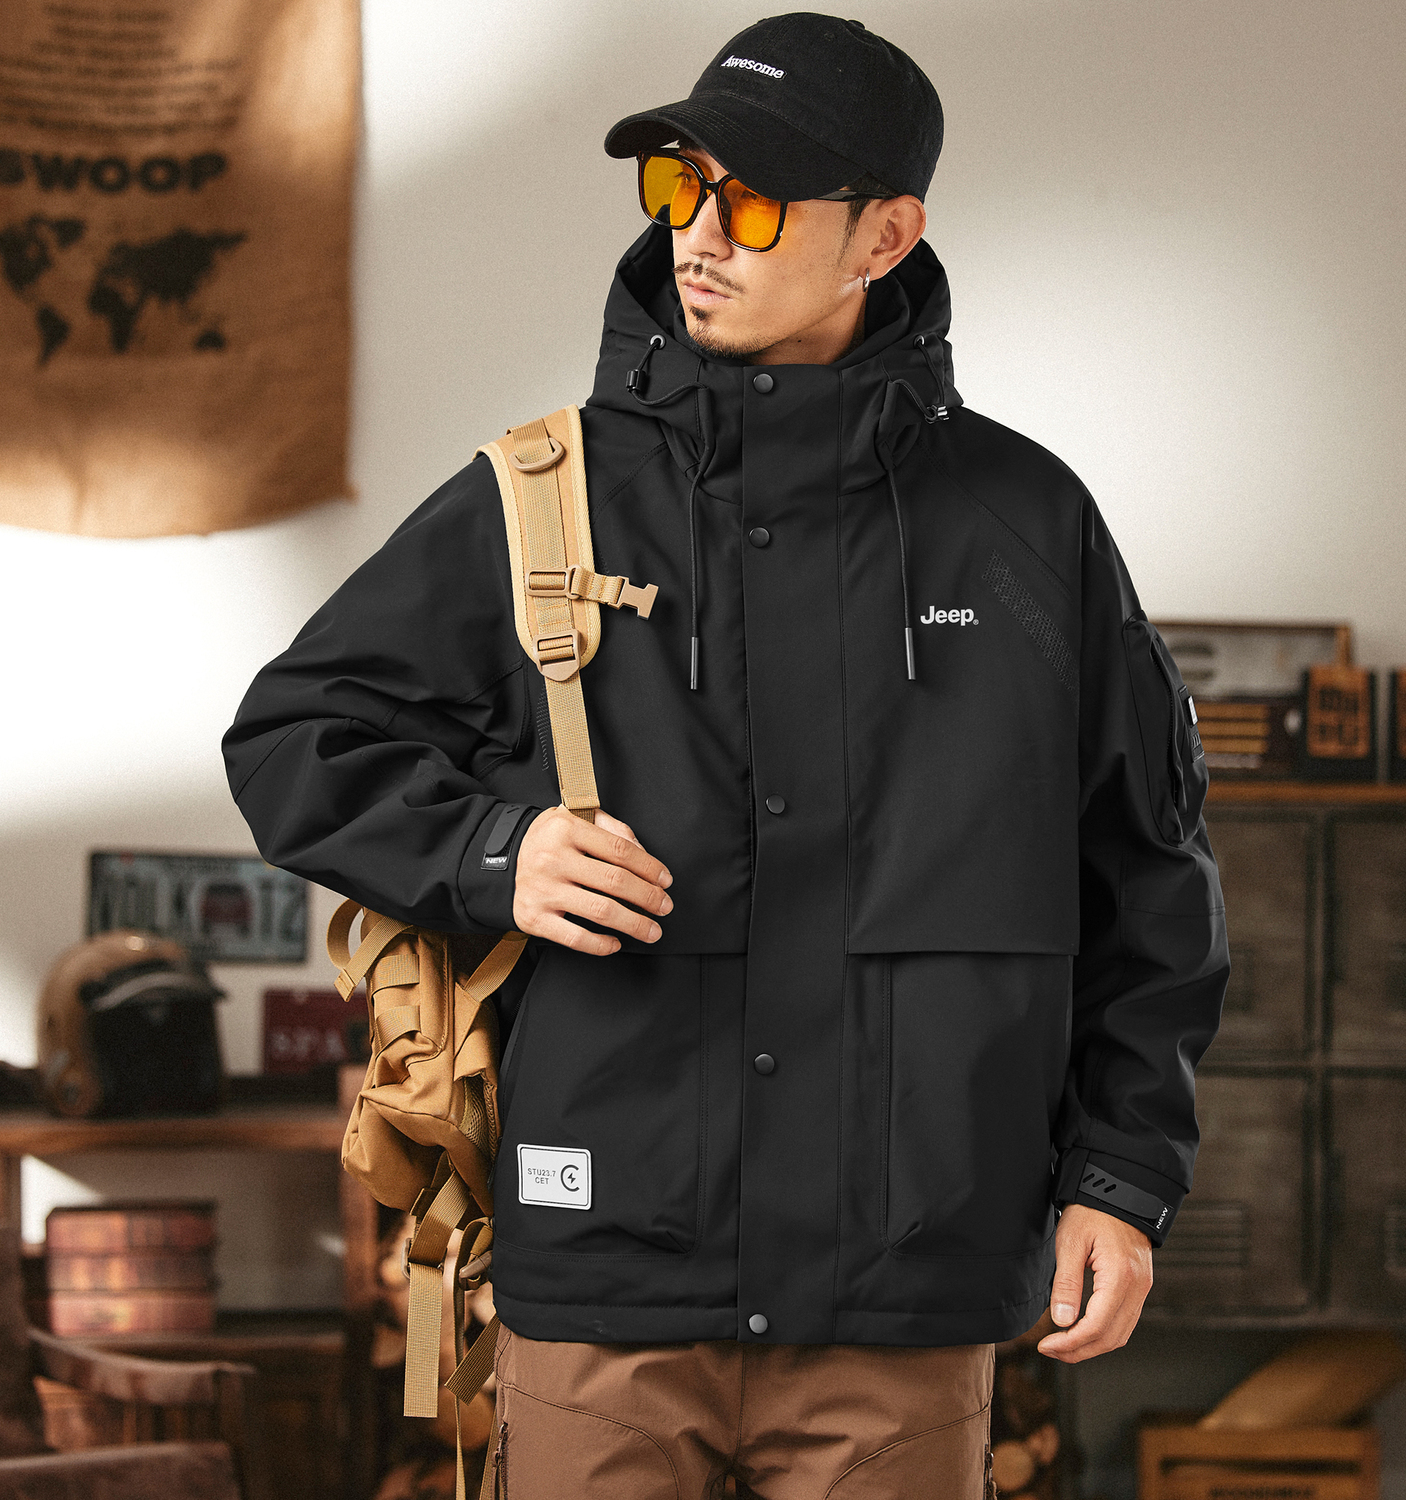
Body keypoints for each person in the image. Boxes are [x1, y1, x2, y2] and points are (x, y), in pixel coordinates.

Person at [223, 13, 1228, 1496]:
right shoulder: (543, 501)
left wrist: (1124, 1179)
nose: (699, 235)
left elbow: (1148, 876)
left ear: (886, 235)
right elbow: (294, 736)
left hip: (906, 1294)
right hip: (608, 1284)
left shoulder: (1027, 527)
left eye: (753, 204)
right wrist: (495, 852)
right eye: (679, 188)